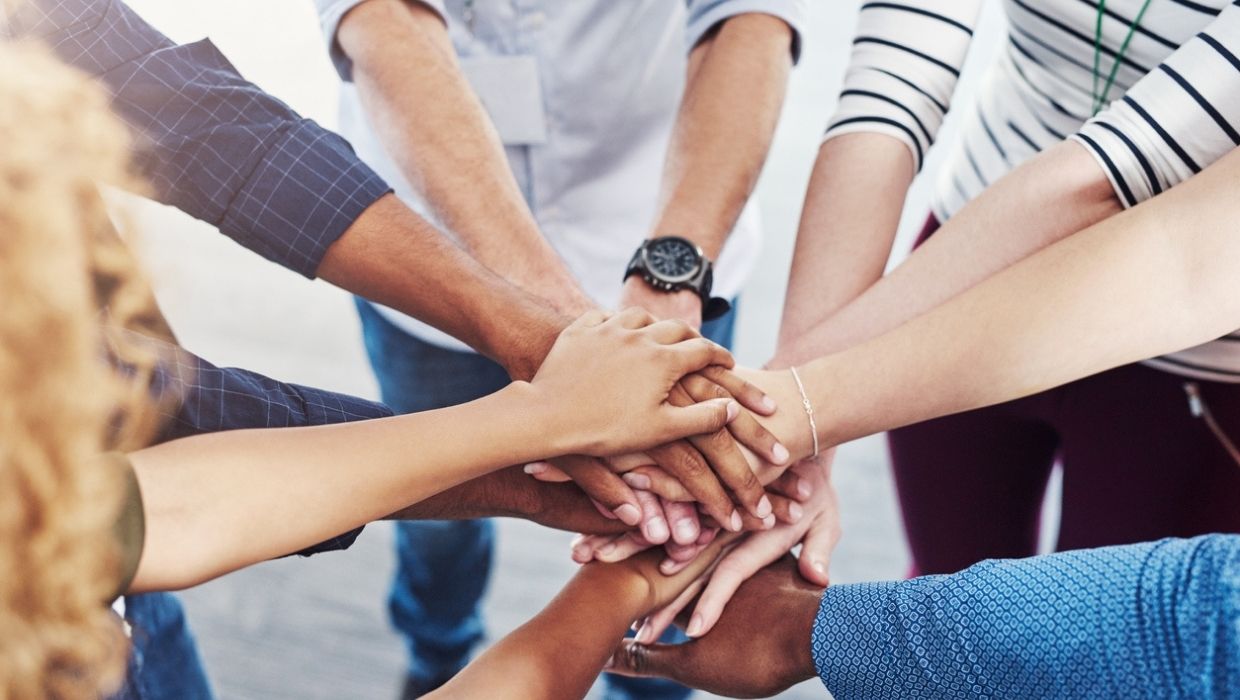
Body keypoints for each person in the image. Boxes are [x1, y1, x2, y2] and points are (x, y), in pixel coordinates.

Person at [5, 1, 789, 697]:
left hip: (114, 590)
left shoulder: (72, 494)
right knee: (451, 554)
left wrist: (557, 374)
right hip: (70, 597)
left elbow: (129, 491)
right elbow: (147, 464)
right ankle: (436, 647)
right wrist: (541, 431)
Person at [313, 1, 806, 696]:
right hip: (430, 267)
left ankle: (650, 682)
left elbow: (750, 16)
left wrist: (671, 272)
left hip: (670, 243)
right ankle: (439, 656)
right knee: (431, 513)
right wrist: (577, 335)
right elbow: (383, 19)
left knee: (679, 524)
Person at [774, 0, 1240, 579]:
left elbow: (1110, 174)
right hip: (962, 262)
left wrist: (775, 407)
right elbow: (890, 88)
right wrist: (785, 417)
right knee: (942, 608)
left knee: (1101, 656)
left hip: (1188, 344)